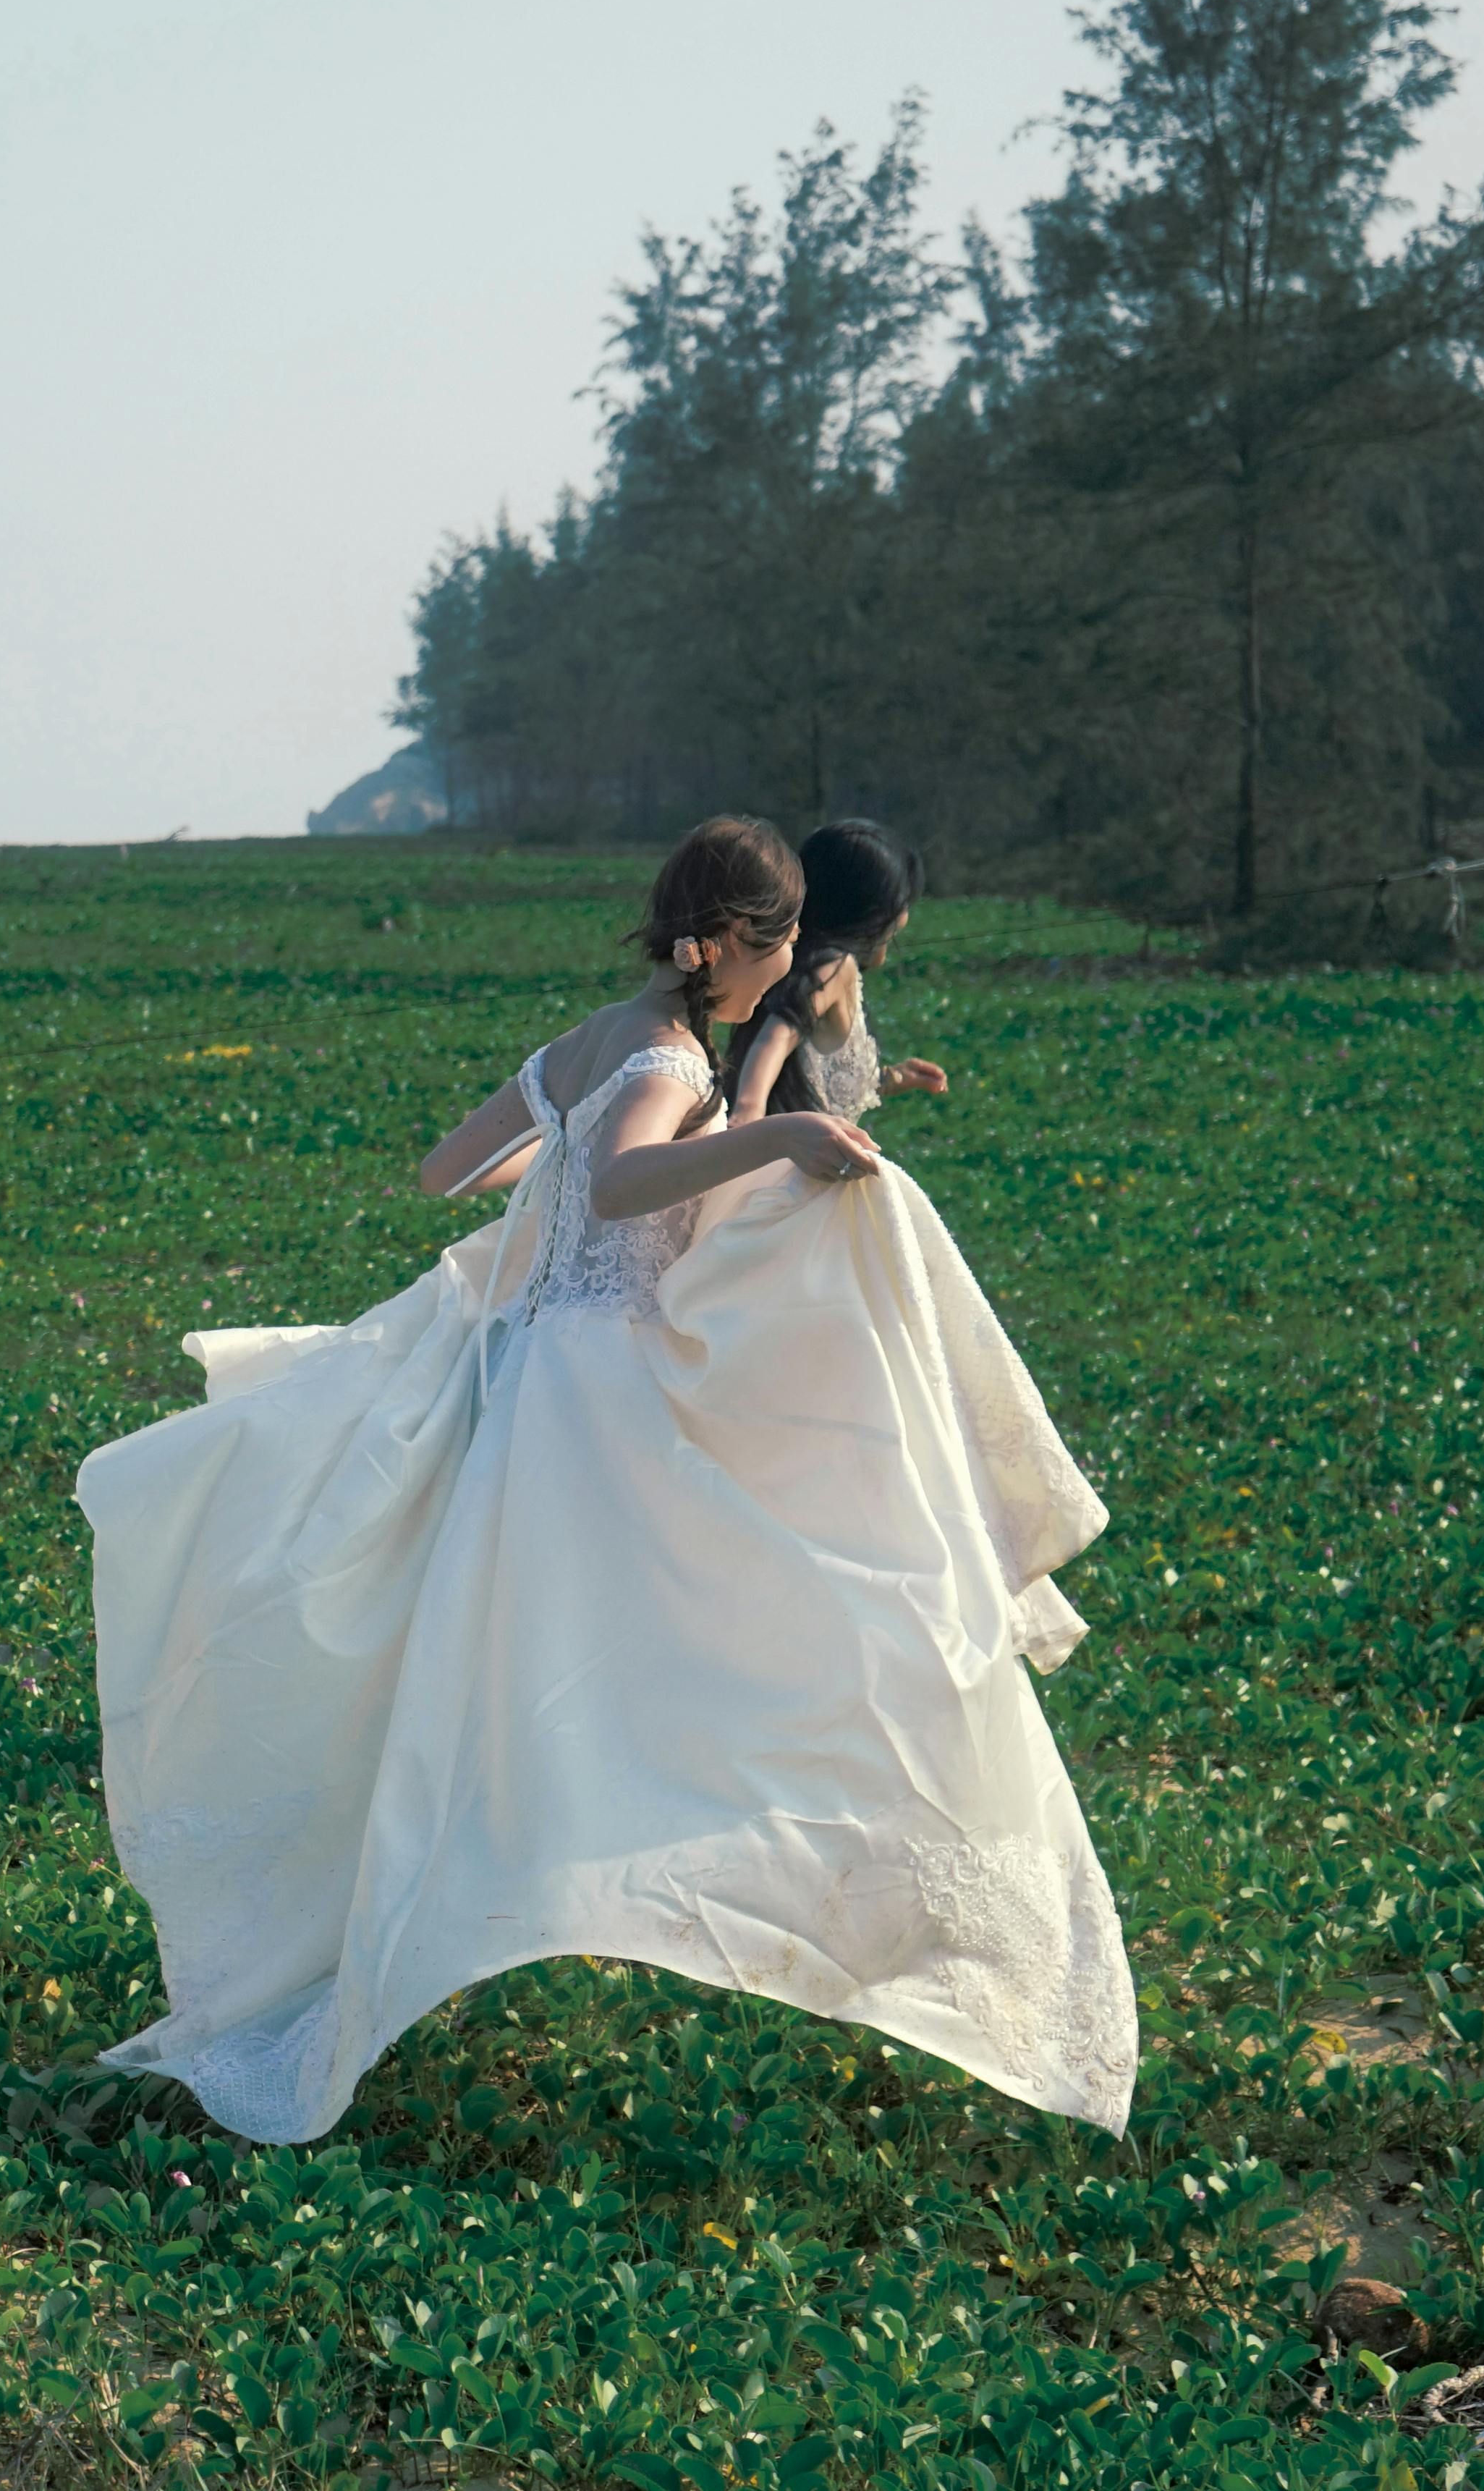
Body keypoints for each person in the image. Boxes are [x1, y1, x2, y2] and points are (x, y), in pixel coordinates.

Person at [76, 817, 1131, 2149]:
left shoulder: (602, 1036)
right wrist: (767, 1149)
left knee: (522, 1671)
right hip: (599, 1388)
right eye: (785, 941)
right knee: (713, 1630)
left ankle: (539, 1876)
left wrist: (567, 1159)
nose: (794, 964)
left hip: (532, 1361)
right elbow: (634, 1180)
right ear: (738, 944)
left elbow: (452, 1167)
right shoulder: (665, 1052)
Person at [726, 821, 946, 1122]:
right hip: (797, 1160)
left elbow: (823, 1086)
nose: (904, 915)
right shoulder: (834, 967)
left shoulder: (800, 961)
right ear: (868, 909)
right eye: (900, 902)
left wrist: (891, 1079)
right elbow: (778, 1032)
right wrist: (748, 1110)